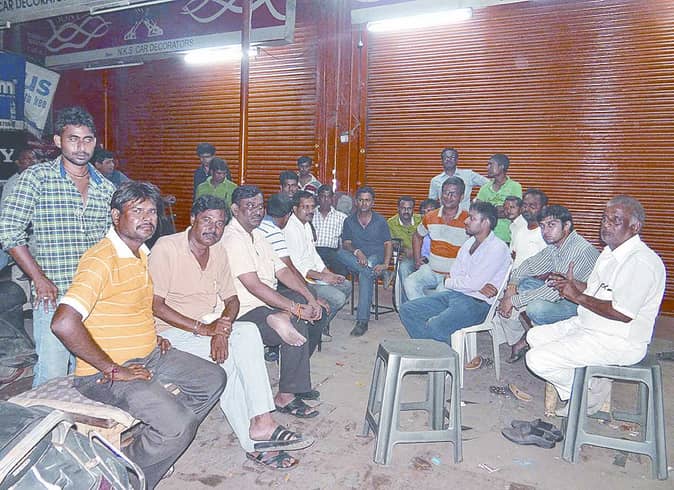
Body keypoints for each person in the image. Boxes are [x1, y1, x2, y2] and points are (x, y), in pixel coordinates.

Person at [50, 182, 227, 489]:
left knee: (213, 379)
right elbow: (64, 323)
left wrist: (150, 334)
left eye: (152, 211)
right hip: (104, 374)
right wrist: (113, 369)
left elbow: (132, 306)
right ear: (115, 215)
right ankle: (124, 478)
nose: (148, 218)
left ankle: (144, 449)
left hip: (150, 355)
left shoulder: (141, 253)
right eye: (137, 210)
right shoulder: (101, 259)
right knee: (178, 425)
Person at [149, 195, 311, 470]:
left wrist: (222, 329)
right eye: (207, 221)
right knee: (230, 363)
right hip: (172, 333)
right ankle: (255, 444)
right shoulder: (167, 247)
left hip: (208, 327)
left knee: (247, 332)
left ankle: (263, 420)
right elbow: (155, 306)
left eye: (219, 223)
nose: (213, 228)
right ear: (192, 219)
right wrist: (207, 330)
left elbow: (232, 299)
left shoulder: (218, 251)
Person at [0, 106, 116, 387]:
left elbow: (111, 243)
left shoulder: (106, 188)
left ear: (95, 142)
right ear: (58, 141)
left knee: (89, 373)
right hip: (53, 295)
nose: (81, 147)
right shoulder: (37, 178)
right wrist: (38, 278)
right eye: (73, 139)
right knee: (51, 376)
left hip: (95, 296)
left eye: (87, 139)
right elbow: (9, 230)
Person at [526, 196, 665, 417]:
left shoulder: (641, 262)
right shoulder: (609, 253)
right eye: (604, 219)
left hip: (619, 340)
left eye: (615, 220)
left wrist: (577, 297)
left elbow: (622, 313)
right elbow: (595, 290)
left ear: (635, 227)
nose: (606, 225)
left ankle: (586, 396)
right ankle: (592, 383)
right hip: (590, 326)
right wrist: (573, 285)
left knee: (536, 359)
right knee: (535, 336)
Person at [220, 185, 323, 418]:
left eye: (260, 206)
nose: (257, 211)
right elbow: (254, 286)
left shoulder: (258, 235)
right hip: (243, 309)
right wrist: (294, 308)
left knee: (310, 302)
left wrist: (310, 299)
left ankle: (294, 377)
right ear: (235, 209)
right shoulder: (232, 238)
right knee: (297, 320)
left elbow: (283, 270)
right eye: (250, 206)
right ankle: (286, 395)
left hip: (266, 304)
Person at [497, 205, 600, 363]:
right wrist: (511, 288)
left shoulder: (579, 250)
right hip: (563, 295)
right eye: (543, 226)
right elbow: (527, 266)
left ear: (567, 225)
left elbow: (555, 291)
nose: (545, 231)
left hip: (584, 305)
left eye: (552, 225)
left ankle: (536, 340)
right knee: (524, 283)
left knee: (536, 308)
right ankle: (537, 337)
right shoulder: (556, 246)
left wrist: (513, 300)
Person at [399, 201, 511, 345]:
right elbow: (456, 273)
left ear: (486, 223)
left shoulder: (497, 248)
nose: (466, 221)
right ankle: (434, 350)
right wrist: (470, 284)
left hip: (479, 304)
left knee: (435, 326)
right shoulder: (469, 243)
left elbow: (470, 282)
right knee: (407, 310)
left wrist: (450, 282)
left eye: (472, 218)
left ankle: (438, 352)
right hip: (457, 294)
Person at [284, 190, 352, 326]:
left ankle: (322, 324)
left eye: (312, 207)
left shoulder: (306, 224)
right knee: (338, 298)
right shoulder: (290, 229)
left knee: (346, 285)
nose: (310, 211)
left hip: (314, 276)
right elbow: (297, 268)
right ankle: (316, 325)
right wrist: (322, 277)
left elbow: (314, 255)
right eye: (306, 207)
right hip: (302, 280)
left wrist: (328, 274)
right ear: (295, 209)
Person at [336, 186, 392, 337]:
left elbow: (388, 244)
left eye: (367, 200)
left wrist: (386, 264)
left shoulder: (380, 221)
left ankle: (362, 321)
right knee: (339, 253)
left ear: (373, 202)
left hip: (375, 257)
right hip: (355, 258)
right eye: (361, 200)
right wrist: (357, 252)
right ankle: (377, 272)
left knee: (365, 274)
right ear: (356, 202)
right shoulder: (349, 220)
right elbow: (346, 243)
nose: (364, 203)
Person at [404, 177, 469, 301]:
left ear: (461, 197)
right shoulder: (430, 216)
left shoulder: (468, 219)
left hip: (453, 275)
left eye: (453, 194)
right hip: (431, 269)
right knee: (410, 282)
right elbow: (417, 236)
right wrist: (417, 259)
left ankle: (430, 311)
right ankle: (423, 311)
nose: (448, 197)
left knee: (440, 294)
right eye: (445, 192)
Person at [475, 153, 522, 243]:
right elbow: (478, 211)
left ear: (501, 167)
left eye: (491, 164)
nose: (487, 167)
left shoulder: (515, 186)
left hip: (507, 237)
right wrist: (499, 210)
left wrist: (489, 212)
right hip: (486, 237)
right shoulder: (485, 188)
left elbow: (514, 212)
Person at [387, 196, 422, 292]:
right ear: (398, 208)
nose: (406, 211)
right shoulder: (391, 223)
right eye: (403, 208)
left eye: (409, 208)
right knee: (404, 268)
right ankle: (406, 300)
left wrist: (416, 251)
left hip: (423, 255)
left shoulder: (421, 220)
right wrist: (403, 249)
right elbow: (391, 242)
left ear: (413, 209)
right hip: (407, 257)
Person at [313, 184, 348, 276]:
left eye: (328, 197)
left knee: (342, 269)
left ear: (333, 199)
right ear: (318, 198)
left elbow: (346, 240)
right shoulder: (310, 214)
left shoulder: (342, 217)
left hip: (331, 252)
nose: (325, 200)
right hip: (313, 251)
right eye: (322, 197)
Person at [509, 189, 547, 268]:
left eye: (532, 206)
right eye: (524, 206)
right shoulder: (519, 230)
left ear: (543, 208)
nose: (526, 209)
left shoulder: (546, 234)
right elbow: (514, 257)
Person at [0, 146, 38, 212]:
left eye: (34, 158)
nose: (33, 161)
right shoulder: (13, 183)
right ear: (18, 162)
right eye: (27, 158)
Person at [418, 198, 440, 263]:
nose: (426, 215)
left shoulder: (443, 230)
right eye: (423, 212)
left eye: (429, 212)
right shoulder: (420, 230)